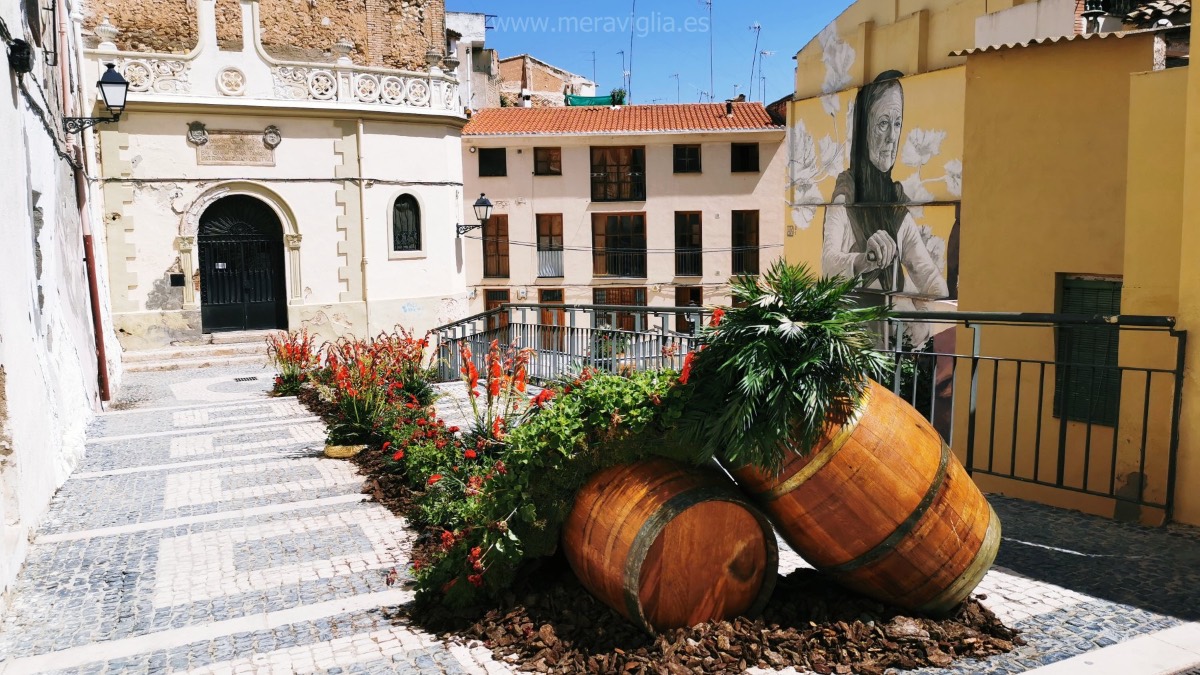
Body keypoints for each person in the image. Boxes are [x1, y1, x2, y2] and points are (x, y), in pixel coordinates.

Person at [821, 71, 948, 300]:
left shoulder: (894, 203)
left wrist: (929, 318)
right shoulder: (846, 194)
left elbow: (928, 275)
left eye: (897, 123)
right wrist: (864, 259)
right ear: (863, 131)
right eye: (882, 123)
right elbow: (828, 263)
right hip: (854, 332)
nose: (892, 136)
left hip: (894, 333)